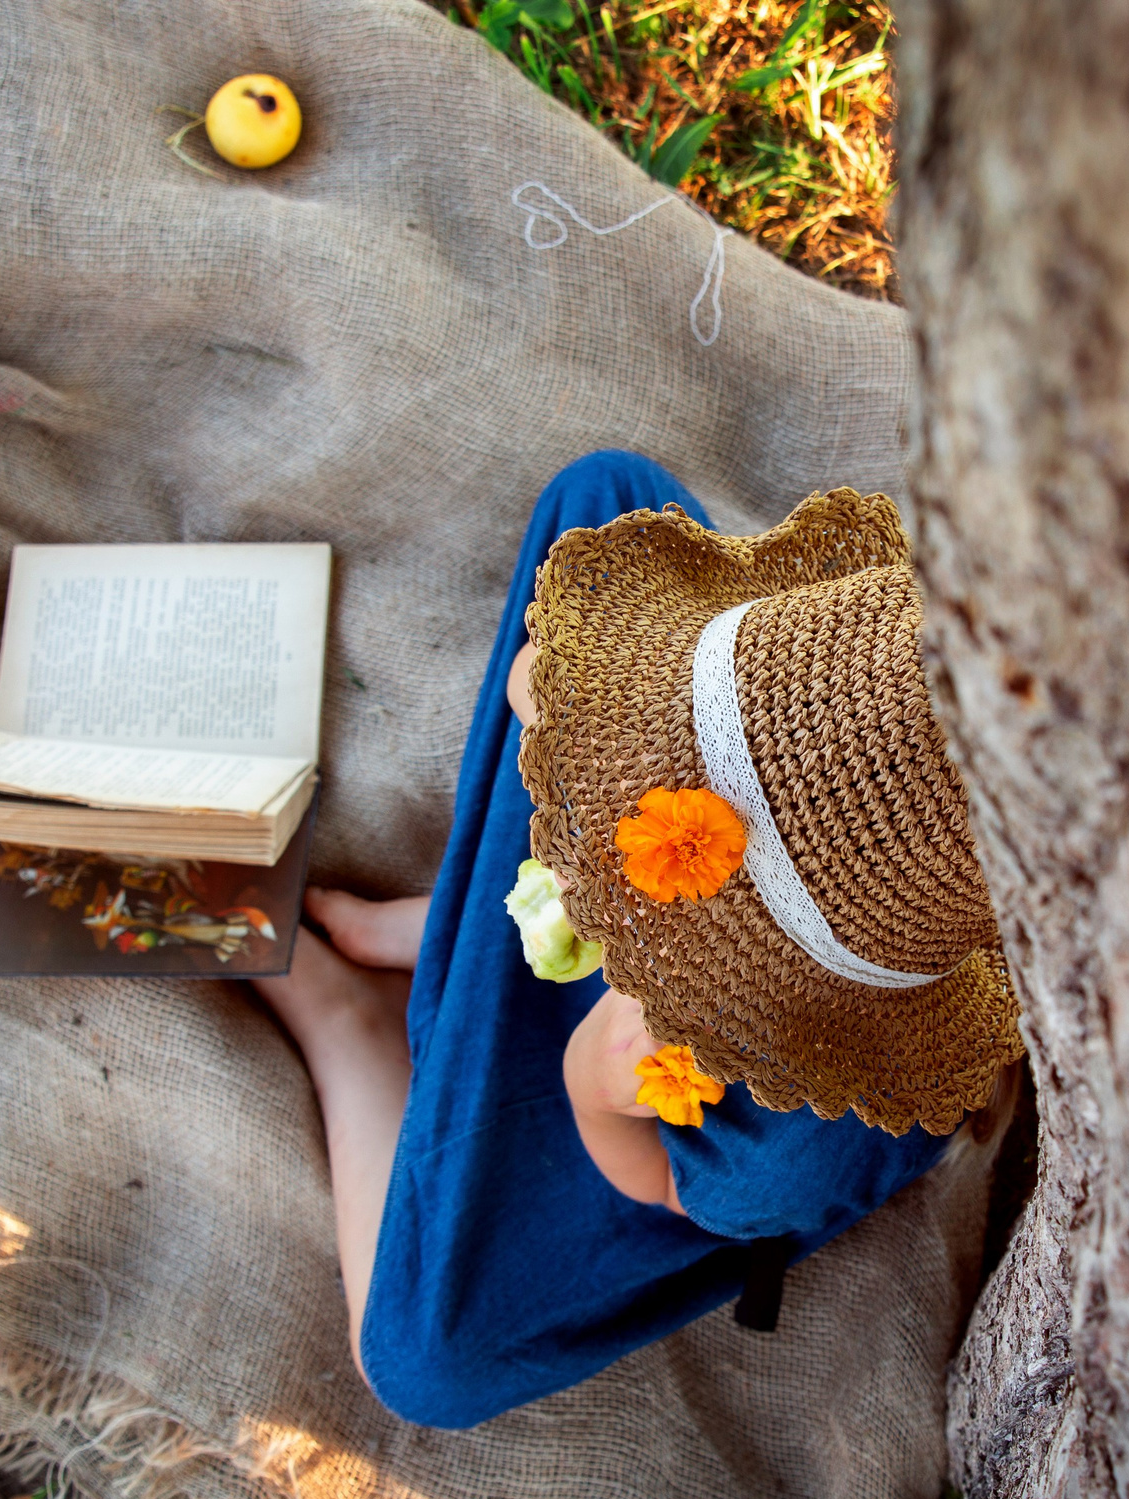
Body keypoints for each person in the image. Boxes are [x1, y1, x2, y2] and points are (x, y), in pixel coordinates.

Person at [256, 451, 1024, 1429]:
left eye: (623, 867)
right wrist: (599, 712)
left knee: (423, 1367)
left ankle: (344, 1023)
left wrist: (593, 1088)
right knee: (601, 499)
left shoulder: (794, 1144)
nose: (581, 853)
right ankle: (461, 932)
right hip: (707, 893)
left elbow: (663, 1188)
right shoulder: (859, 698)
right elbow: (547, 680)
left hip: (643, 1107)